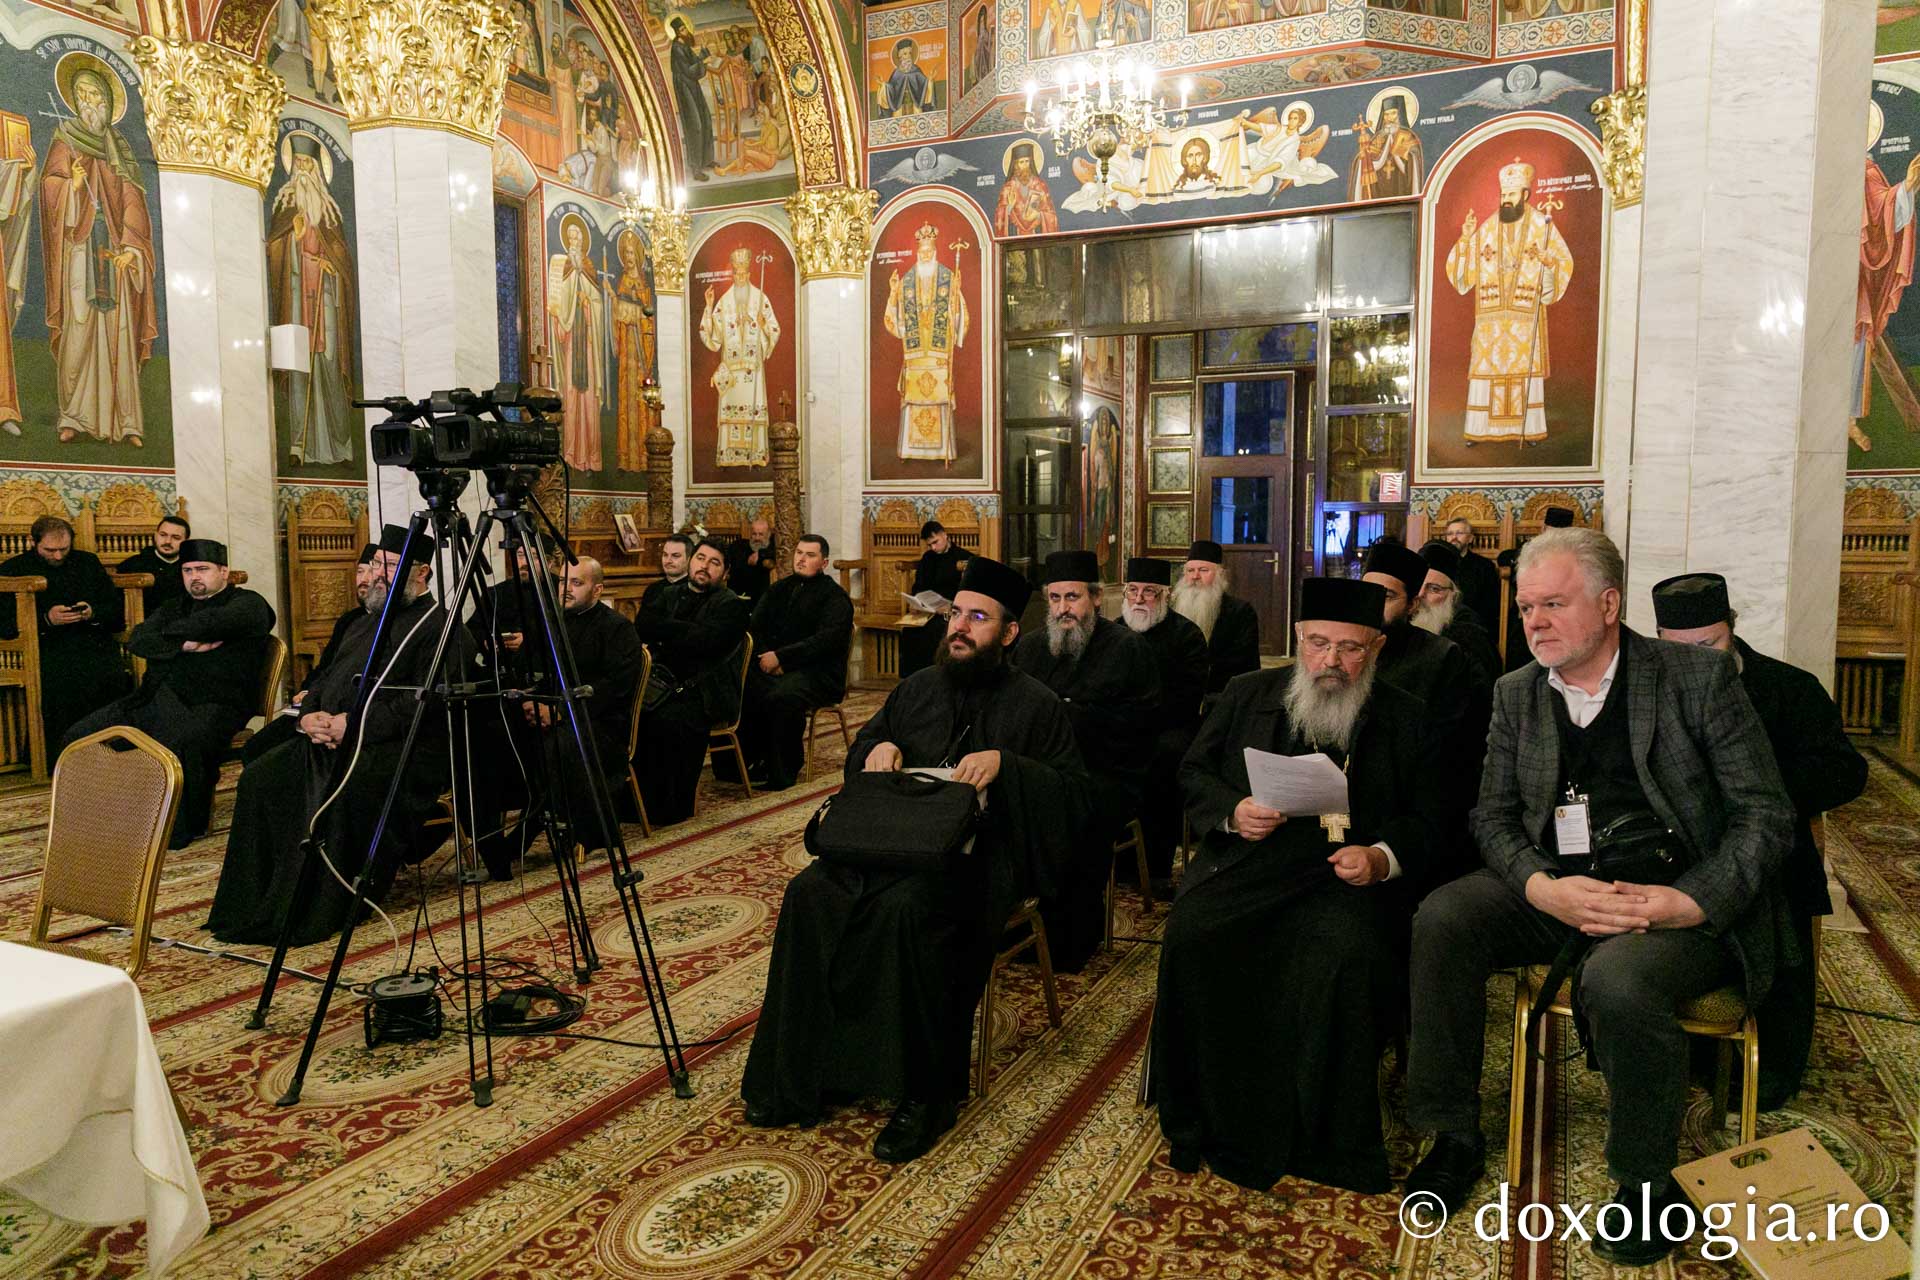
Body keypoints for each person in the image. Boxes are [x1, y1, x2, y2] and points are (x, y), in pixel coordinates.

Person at [1403, 528, 1793, 1268]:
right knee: (1444, 919)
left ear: (1609, 605)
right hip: (1564, 886)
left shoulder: (1696, 680)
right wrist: (1541, 887)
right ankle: (1451, 1132)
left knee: (1617, 980)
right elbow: (1491, 817)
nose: (1535, 623)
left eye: (1554, 604)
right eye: (1527, 608)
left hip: (1673, 901)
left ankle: (1647, 1181)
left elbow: (1766, 817)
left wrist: (1687, 903)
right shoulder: (1517, 693)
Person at [740, 555, 1088, 1162]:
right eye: (957, 614)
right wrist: (877, 748)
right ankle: (807, 1072)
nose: (961, 628)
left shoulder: (1035, 704)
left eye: (978, 618)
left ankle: (927, 1095)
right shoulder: (918, 688)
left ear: (1009, 633)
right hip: (888, 841)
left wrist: (1009, 767)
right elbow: (867, 746)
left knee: (909, 911)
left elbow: (1073, 797)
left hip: (976, 858)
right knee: (810, 895)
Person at [1158, 577, 1445, 1194]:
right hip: (1250, 865)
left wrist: (1381, 857)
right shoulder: (1247, 694)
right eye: (1318, 644)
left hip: (1346, 879)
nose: (1330, 661)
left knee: (1341, 954)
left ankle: (1322, 1135)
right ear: (1298, 639)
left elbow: (1432, 816)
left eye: (1349, 648)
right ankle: (1206, 1112)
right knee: (1194, 932)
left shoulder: (1407, 715)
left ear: (1376, 647)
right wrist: (1233, 811)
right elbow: (1194, 772)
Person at [1652, 572, 1867, 1109]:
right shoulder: (1648, 688)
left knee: (1777, 929)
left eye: (1708, 647)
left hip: (1773, 862)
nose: (1697, 661)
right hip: (1678, 860)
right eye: (1680, 650)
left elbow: (1845, 772)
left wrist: (1754, 788)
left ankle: (1766, 1068)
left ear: (1732, 630)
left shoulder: (1788, 688)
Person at [206, 526, 473, 946]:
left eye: (390, 566)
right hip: (329, 738)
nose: (378, 574)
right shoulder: (363, 624)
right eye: (376, 563)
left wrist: (354, 725)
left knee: (338, 790)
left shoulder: (441, 628)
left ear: (421, 573)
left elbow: (427, 702)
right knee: (261, 778)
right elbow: (326, 677)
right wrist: (310, 716)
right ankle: (257, 904)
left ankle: (320, 905)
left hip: (401, 749)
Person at [64, 539, 274, 847]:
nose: (194, 577)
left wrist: (167, 638)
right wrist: (184, 645)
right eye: (187, 570)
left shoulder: (248, 603)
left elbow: (217, 622)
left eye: (202, 569)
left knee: (182, 741)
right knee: (80, 737)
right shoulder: (174, 606)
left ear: (224, 572)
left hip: (215, 703)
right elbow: (138, 639)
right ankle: (103, 819)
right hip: (153, 699)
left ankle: (175, 829)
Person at [1013, 550, 1159, 970]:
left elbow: (1141, 726)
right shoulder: (1031, 648)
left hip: (1106, 772)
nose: (1063, 608)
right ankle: (1014, 927)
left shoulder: (1128, 648)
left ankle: (1068, 940)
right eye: (1055, 598)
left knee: (1072, 814)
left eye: (1072, 597)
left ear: (1095, 598)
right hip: (1040, 771)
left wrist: (1071, 716)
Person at [474, 556, 643, 880]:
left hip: (597, 724)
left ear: (597, 590)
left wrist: (561, 712)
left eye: (576, 583)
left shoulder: (617, 628)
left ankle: (533, 831)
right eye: (563, 581)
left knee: (558, 746)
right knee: (488, 738)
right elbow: (525, 669)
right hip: (542, 715)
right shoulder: (548, 623)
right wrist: (527, 700)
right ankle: (492, 843)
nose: (566, 589)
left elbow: (613, 688)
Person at [1445, 158, 1575, 447]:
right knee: (1485, 370)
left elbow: (1563, 262)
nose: (1505, 199)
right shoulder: (1488, 228)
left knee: (1522, 373)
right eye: (1503, 194)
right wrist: (1465, 239)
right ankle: (1480, 430)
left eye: (1511, 194)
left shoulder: (1542, 225)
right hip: (1490, 320)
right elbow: (1462, 276)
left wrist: (1550, 263)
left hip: (1524, 316)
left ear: (1525, 194)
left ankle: (1526, 430)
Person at [631, 538, 750, 825]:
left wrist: (667, 633)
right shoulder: (667, 593)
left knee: (667, 720)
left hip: (706, 691)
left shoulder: (732, 606)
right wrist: (687, 632)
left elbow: (705, 644)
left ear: (725, 573)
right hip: (661, 684)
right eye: (700, 558)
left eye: (714, 563)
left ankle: (668, 807)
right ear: (691, 561)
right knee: (627, 713)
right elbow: (644, 625)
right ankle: (632, 802)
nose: (704, 566)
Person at [0, 515, 127, 748]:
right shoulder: (14, 569)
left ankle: (112, 753)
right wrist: (46, 619)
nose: (58, 556)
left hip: (91, 640)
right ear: (33, 542)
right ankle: (63, 755)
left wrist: (92, 612)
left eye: (64, 549)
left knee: (112, 674)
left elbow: (115, 610)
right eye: (50, 550)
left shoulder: (87, 562)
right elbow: (5, 623)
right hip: (43, 645)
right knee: (65, 680)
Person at [738, 534, 853, 791]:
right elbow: (755, 628)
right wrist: (766, 657)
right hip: (773, 665)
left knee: (782, 696)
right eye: (799, 553)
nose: (801, 559)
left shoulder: (835, 597)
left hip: (819, 674)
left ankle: (782, 771)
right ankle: (747, 763)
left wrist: (782, 658)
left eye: (810, 555)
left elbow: (825, 641)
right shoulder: (779, 588)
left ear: (824, 563)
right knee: (741, 684)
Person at [244, 542, 377, 764]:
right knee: (256, 748)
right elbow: (326, 667)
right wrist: (307, 692)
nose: (363, 580)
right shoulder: (350, 620)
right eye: (360, 571)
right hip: (316, 705)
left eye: (371, 572)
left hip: (349, 715)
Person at [1121, 557, 1207, 881]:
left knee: (1162, 760)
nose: (1139, 599)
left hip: (1168, 729)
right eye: (1133, 590)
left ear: (1165, 595)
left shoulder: (1187, 635)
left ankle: (1155, 867)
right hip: (1119, 729)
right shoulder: (1112, 631)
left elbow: (1186, 700)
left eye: (1149, 592)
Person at [883, 224, 969, 463]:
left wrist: (955, 297)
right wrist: (893, 292)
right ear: (917, 252)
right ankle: (910, 450)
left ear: (935, 251)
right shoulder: (906, 282)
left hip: (938, 356)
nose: (926, 255)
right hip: (915, 356)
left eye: (930, 251)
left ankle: (942, 452)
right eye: (922, 252)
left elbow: (958, 317)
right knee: (913, 400)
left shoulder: (947, 278)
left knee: (939, 398)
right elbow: (895, 321)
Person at [700, 247, 781, 468]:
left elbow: (774, 329)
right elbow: (713, 338)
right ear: (733, 275)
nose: (740, 278)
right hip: (732, 373)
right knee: (731, 414)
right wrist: (709, 306)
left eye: (744, 274)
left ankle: (755, 454)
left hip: (753, 371)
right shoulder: (724, 302)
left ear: (749, 274)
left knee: (753, 412)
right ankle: (730, 455)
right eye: (737, 274)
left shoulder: (760, 298)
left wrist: (763, 326)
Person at [1172, 540, 1259, 699]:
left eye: (1203, 570)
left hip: (1221, 692)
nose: (1195, 576)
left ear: (1220, 575)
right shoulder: (1172, 609)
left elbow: (1244, 662)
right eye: (1190, 570)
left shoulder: (1240, 612)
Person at [1413, 539, 1502, 685]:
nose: (1420, 594)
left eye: (1434, 589)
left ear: (1453, 595)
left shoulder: (1469, 634)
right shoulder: (1406, 617)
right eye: (1418, 585)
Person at [899, 520, 968, 677]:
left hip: (949, 611)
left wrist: (952, 606)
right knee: (909, 630)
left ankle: (936, 676)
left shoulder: (963, 557)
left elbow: (966, 590)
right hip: (927, 609)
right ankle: (912, 679)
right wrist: (915, 601)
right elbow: (919, 585)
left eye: (935, 542)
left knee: (937, 630)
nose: (933, 548)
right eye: (929, 545)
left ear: (944, 535)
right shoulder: (928, 558)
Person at [669, 16, 715, 181]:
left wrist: (704, 49)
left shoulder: (684, 46)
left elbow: (696, 61)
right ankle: (696, 168)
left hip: (692, 86)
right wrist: (703, 62)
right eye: (682, 29)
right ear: (677, 32)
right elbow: (689, 70)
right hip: (685, 90)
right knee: (695, 125)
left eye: (685, 28)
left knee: (705, 119)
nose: (686, 31)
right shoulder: (676, 48)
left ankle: (707, 160)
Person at [115, 514, 190, 613]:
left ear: (186, 542)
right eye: (163, 535)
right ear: (155, 535)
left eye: (176, 537)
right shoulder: (132, 565)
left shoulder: (192, 566)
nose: (168, 541)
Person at [1439, 516, 1501, 634]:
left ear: (1470, 539)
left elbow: (1491, 605)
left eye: (1459, 533)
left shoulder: (1485, 566)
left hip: (1473, 625)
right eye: (1450, 534)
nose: (1454, 537)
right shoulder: (1438, 564)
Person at [725, 519, 776, 600]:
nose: (757, 538)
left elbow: (779, 551)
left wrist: (761, 554)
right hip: (737, 596)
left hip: (762, 599)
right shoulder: (738, 546)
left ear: (768, 535)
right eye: (754, 534)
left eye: (761, 534)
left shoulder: (773, 549)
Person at [642, 533, 692, 612]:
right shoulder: (652, 589)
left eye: (675, 556)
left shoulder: (694, 591)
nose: (668, 561)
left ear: (689, 559)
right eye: (665, 555)